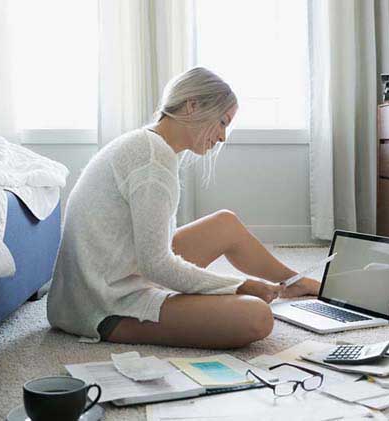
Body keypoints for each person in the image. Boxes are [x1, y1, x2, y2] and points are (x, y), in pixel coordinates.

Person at [47, 67, 320, 349]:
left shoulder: (148, 144)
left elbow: (152, 253)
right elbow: (156, 265)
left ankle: (294, 282)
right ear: (193, 106)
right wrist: (239, 286)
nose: (223, 137)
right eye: (222, 122)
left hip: (107, 276)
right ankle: (115, 320)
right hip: (102, 302)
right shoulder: (151, 162)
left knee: (225, 224)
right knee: (256, 316)